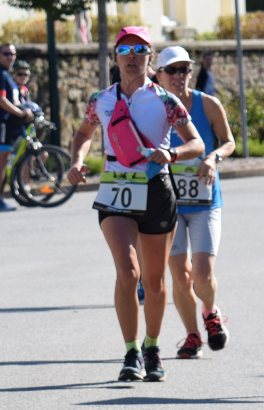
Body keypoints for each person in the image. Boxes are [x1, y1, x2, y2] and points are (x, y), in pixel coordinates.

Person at [66, 27, 204, 382]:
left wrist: (171, 153)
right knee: (129, 272)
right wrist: (77, 161)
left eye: (139, 51)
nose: (132, 57)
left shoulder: (165, 101)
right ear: (115, 57)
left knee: (154, 281)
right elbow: (83, 134)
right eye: (124, 50)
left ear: (150, 58)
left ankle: (152, 346)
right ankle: (131, 352)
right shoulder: (100, 100)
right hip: (115, 191)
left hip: (156, 190)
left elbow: (197, 144)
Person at [155, 46, 236, 358]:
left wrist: (213, 158)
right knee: (180, 275)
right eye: (172, 70)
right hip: (168, 203)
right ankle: (192, 336)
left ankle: (210, 312)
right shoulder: (152, 108)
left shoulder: (208, 104)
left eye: (184, 69)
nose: (179, 76)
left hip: (204, 200)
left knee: (201, 274)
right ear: (159, 75)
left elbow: (228, 142)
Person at [0, 43, 34, 211]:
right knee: (1, 162)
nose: (10, 57)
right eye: (6, 53)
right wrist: (20, 113)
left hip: (7, 122)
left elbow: (14, 100)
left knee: (4, 160)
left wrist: (25, 110)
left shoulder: (7, 74)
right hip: (0, 122)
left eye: (12, 54)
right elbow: (1, 100)